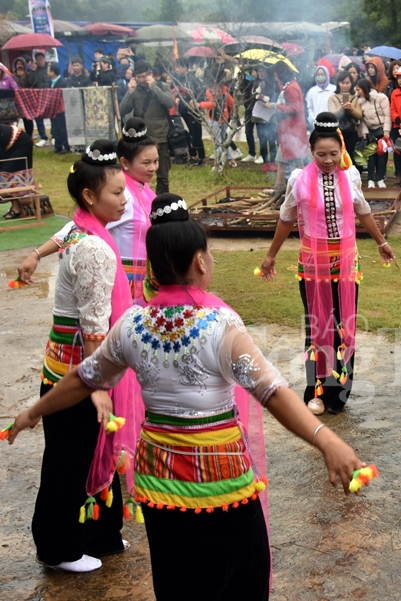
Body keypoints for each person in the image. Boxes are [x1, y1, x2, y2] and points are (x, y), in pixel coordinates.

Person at [8, 192, 369, 599]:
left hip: (159, 481)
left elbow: (82, 379)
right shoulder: (219, 325)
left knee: (177, 580)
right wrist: (327, 440)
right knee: (239, 580)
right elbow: (273, 392)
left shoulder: (132, 324)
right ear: (200, 261)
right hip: (220, 482)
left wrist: (34, 411)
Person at [11, 141, 131, 573]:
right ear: (89, 197)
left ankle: (99, 533)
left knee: (84, 452)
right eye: (117, 192)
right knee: (71, 458)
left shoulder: (81, 229)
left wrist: (33, 254)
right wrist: (98, 385)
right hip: (77, 372)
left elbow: (60, 236)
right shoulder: (95, 247)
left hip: (63, 365)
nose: (125, 199)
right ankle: (59, 547)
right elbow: (95, 327)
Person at [259, 113, 397, 415]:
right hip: (311, 264)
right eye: (321, 154)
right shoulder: (299, 179)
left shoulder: (350, 177)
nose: (328, 160)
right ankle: (316, 390)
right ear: (312, 152)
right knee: (317, 328)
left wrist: (381, 242)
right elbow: (286, 218)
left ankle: (340, 391)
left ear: (342, 150)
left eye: (334, 153)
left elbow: (363, 212)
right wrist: (271, 256)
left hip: (346, 263)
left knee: (343, 328)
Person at [19, 118, 160, 302]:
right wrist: (36, 254)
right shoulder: (124, 196)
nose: (153, 168)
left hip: (144, 278)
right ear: (125, 162)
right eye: (146, 163)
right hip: (126, 281)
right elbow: (77, 227)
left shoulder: (145, 191)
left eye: (156, 161)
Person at [119, 61, 174, 194]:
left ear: (150, 74)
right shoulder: (135, 90)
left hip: (160, 136)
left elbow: (170, 102)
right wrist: (130, 93)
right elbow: (122, 110)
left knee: (162, 175)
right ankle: (141, 197)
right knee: (139, 173)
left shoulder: (161, 86)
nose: (142, 80)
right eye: (139, 77)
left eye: (144, 76)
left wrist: (154, 87)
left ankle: (162, 200)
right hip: (141, 138)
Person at [270, 61, 311, 193]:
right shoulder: (287, 86)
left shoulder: (291, 88)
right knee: (281, 159)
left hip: (293, 131)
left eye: (276, 74)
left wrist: (275, 107)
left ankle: (301, 187)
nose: (275, 77)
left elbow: (295, 108)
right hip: (287, 131)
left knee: (297, 160)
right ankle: (280, 185)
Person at [354, 79, 390, 189]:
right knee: (371, 156)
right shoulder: (360, 102)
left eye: (359, 89)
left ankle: (380, 178)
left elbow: (388, 115)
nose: (357, 92)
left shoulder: (381, 98)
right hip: (370, 132)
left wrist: (386, 131)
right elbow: (362, 120)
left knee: (381, 156)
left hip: (382, 129)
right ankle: (370, 179)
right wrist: (364, 132)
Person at [198, 73, 237, 169]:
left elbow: (213, 104)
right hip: (224, 117)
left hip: (214, 118)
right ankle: (231, 160)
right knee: (224, 140)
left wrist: (200, 105)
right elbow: (231, 103)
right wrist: (230, 114)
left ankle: (219, 164)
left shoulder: (211, 90)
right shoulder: (224, 89)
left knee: (218, 141)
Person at [172, 58, 205, 166]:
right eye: (177, 67)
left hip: (193, 111)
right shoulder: (178, 80)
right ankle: (193, 156)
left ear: (185, 67)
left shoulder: (192, 79)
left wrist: (195, 100)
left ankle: (201, 157)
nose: (178, 69)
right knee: (188, 134)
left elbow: (201, 93)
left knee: (196, 134)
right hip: (183, 111)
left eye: (180, 67)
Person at [328, 71, 362, 167]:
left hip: (352, 131)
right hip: (338, 131)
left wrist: (351, 108)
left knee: (352, 155)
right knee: (339, 154)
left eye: (347, 83)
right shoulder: (332, 98)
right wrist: (341, 108)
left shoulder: (356, 98)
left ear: (352, 83)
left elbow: (359, 115)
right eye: (343, 83)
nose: (345, 85)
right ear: (338, 83)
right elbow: (332, 115)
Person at [0, 124, 35, 219]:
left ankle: (17, 208)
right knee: (5, 174)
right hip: (9, 146)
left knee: (6, 174)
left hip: (20, 143)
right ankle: (16, 205)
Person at [252, 66, 280, 174]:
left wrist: (263, 97)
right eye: (259, 71)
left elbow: (274, 97)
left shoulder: (273, 84)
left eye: (263, 71)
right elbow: (253, 96)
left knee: (271, 139)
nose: (261, 73)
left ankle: (272, 162)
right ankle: (265, 162)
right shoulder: (256, 83)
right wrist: (258, 90)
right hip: (259, 114)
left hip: (270, 113)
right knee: (262, 140)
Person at [238, 67, 262, 165]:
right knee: (248, 130)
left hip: (258, 108)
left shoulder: (261, 82)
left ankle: (262, 154)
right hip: (248, 108)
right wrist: (242, 81)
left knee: (260, 133)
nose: (252, 74)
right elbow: (243, 91)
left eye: (253, 71)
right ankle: (252, 153)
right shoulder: (247, 79)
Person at [28, 52, 50, 146]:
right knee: (38, 117)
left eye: (41, 59)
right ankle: (43, 137)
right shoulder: (34, 70)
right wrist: (32, 71)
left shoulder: (49, 68)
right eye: (38, 59)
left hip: (50, 94)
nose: (40, 61)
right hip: (38, 95)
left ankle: (54, 136)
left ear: (45, 59)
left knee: (53, 116)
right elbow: (31, 82)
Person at [48, 63, 70, 155]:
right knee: (55, 128)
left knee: (62, 128)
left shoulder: (62, 82)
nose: (47, 72)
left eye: (49, 70)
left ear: (53, 72)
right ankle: (58, 146)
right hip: (53, 109)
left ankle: (66, 146)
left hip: (61, 109)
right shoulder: (50, 82)